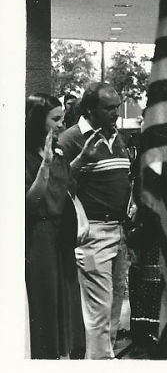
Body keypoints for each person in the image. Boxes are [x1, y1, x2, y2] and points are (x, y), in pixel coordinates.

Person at [58, 82, 132, 359]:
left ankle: (103, 358)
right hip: (92, 233)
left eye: (117, 106)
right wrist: (80, 161)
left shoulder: (118, 137)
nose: (115, 112)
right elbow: (59, 190)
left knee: (114, 308)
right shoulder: (70, 139)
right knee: (98, 311)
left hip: (119, 230)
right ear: (89, 109)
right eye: (109, 108)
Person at [25, 93, 89, 359]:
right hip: (38, 236)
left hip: (61, 234)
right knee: (45, 299)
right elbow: (30, 204)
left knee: (66, 299)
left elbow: (65, 189)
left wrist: (81, 160)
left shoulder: (60, 151)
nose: (62, 124)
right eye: (56, 119)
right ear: (38, 120)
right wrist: (46, 165)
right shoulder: (22, 154)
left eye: (63, 118)